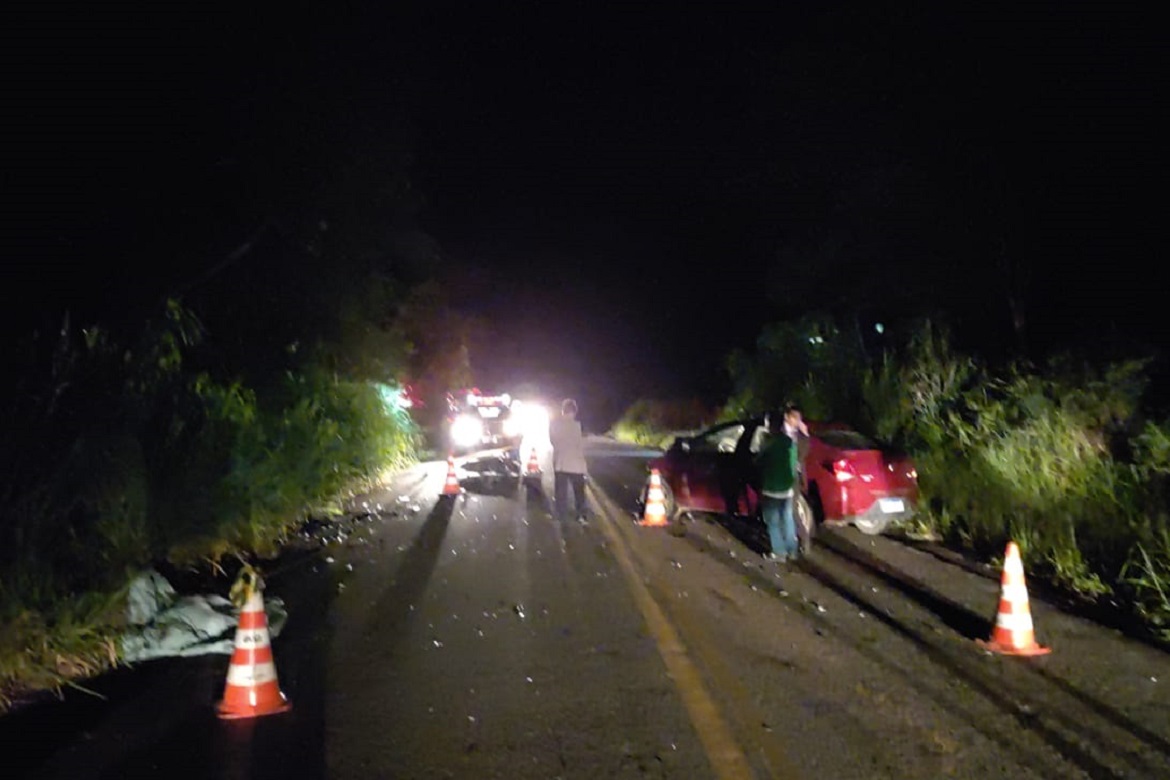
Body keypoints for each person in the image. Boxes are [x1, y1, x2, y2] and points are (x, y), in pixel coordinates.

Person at [756, 410, 799, 562]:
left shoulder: (769, 443)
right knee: (787, 519)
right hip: (787, 489)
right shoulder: (789, 442)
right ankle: (792, 550)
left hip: (772, 488)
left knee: (773, 522)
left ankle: (779, 552)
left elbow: (759, 462)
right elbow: (794, 464)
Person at [548, 398, 588, 521]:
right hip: (577, 464)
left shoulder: (554, 425)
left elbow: (553, 441)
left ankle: (561, 515)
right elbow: (582, 443)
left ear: (563, 411)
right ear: (575, 411)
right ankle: (581, 515)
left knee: (561, 492)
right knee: (579, 492)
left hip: (560, 463)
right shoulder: (579, 426)